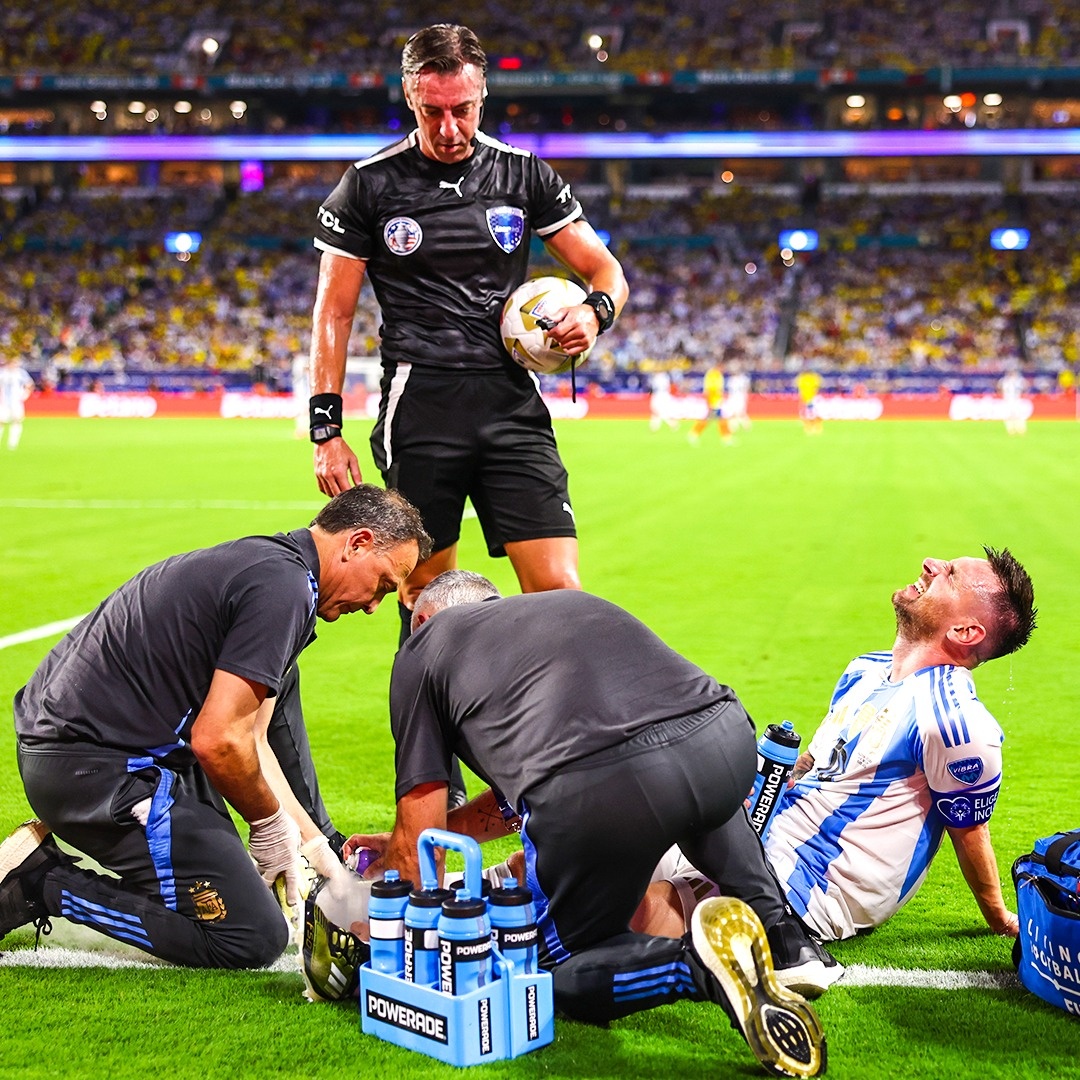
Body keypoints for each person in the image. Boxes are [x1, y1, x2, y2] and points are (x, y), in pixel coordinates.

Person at [344, 571, 828, 1079]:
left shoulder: (423, 651)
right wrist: (439, 833)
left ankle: (697, 967)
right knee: (693, 780)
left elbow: (421, 843)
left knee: (556, 966)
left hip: (603, 792)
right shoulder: (563, 606)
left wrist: (389, 936)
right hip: (725, 741)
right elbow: (533, 782)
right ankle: (783, 933)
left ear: (421, 619)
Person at [0, 485, 431, 969]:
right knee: (250, 936)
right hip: (93, 769)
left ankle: (208, 869)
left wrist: (315, 850)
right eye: (381, 583)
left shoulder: (278, 570)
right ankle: (40, 883)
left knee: (280, 684)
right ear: (357, 543)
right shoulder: (283, 589)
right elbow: (219, 740)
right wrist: (268, 826)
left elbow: (256, 740)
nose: (375, 605)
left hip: (99, 748)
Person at [308, 23, 628, 644]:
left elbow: (606, 271)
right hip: (422, 405)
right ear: (409, 96)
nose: (450, 128)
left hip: (512, 404)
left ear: (483, 96)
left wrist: (593, 313)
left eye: (463, 109)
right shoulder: (368, 185)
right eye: (434, 112)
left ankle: (552, 739)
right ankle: (427, 743)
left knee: (562, 595)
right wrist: (327, 431)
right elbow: (333, 312)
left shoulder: (524, 174)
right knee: (427, 602)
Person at [633, 548, 1037, 944]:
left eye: (950, 575)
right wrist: (759, 783)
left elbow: (969, 830)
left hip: (807, 884)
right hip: (759, 830)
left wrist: (998, 916)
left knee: (627, 916)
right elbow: (815, 761)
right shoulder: (866, 669)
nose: (930, 564)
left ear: (965, 632)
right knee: (606, 845)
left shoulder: (955, 722)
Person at [688, 362, 732, 445]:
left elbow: (719, 390)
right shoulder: (712, 375)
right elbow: (708, 391)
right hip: (713, 402)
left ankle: (694, 434)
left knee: (717, 419)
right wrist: (709, 403)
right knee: (717, 419)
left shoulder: (718, 375)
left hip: (717, 401)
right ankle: (694, 434)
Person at [0, 357, 34, 450]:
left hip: (16, 402)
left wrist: (25, 394)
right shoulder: (2, 373)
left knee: (16, 420)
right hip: (3, 402)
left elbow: (30, 384)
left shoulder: (21, 373)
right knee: (1, 422)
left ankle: (13, 443)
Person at [998, 367, 1029, 436]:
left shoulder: (1004, 381)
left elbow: (999, 388)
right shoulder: (1018, 380)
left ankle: (1015, 430)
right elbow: (1025, 387)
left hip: (1012, 400)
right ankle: (1018, 430)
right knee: (1014, 416)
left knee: (1014, 416)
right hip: (1012, 400)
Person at [795, 368, 822, 435]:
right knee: (808, 414)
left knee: (812, 414)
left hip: (811, 399)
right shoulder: (805, 378)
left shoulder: (811, 378)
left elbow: (816, 388)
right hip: (806, 398)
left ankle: (814, 428)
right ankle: (811, 428)